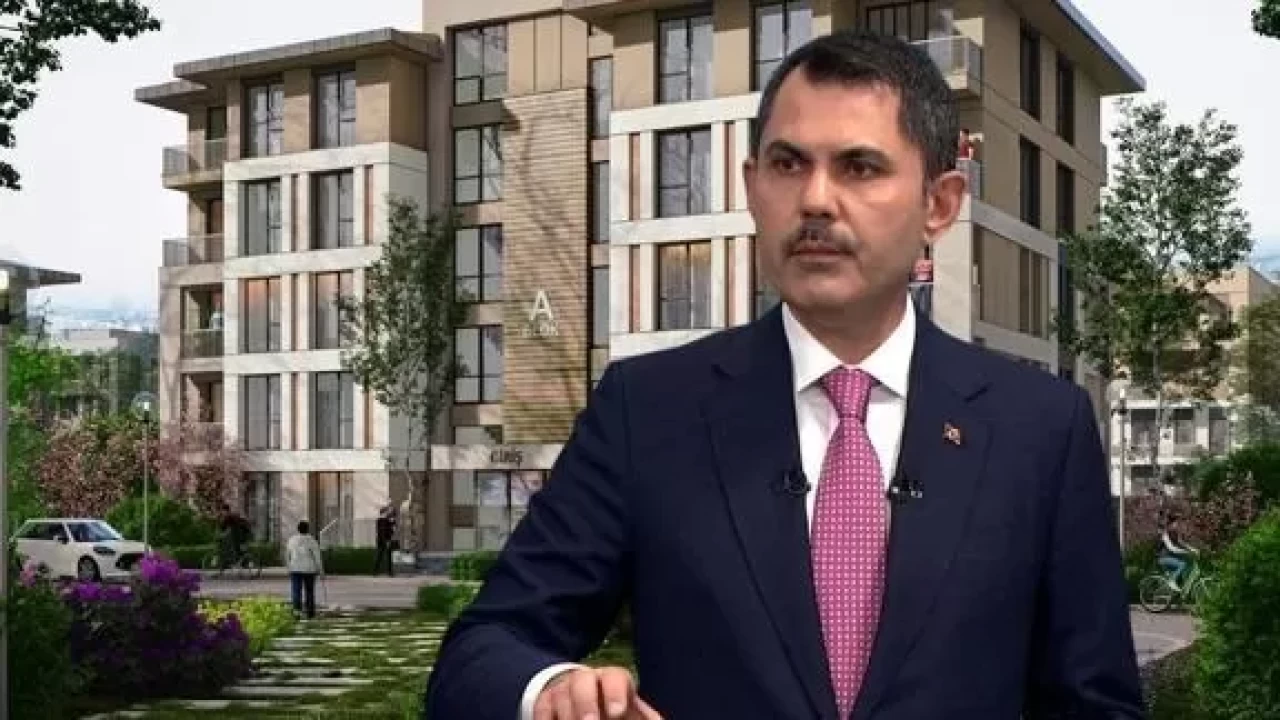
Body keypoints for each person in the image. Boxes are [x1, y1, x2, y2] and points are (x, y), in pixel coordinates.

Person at [424, 30, 1143, 720]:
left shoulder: (1041, 430)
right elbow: (480, 655)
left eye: (860, 167)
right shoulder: (648, 412)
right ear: (752, 185)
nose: (816, 200)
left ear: (939, 204)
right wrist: (550, 691)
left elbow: (1096, 705)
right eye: (788, 164)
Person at [286, 520, 324, 619]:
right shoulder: (312, 540)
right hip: (309, 569)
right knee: (310, 591)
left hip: (295, 568)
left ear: (297, 529)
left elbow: (287, 555)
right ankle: (310, 613)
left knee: (296, 591)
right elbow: (317, 556)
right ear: (308, 529)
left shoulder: (292, 540)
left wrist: (288, 567)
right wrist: (321, 570)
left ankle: (296, 612)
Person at [1158, 517, 1196, 591]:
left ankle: (1177, 588)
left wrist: (1193, 549)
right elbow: (1172, 548)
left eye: (1176, 524)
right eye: (1174, 524)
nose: (1176, 525)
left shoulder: (1175, 533)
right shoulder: (1165, 535)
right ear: (1169, 525)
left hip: (1170, 558)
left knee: (1185, 566)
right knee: (1182, 564)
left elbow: (1182, 543)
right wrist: (1185, 551)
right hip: (1163, 558)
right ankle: (1171, 581)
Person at [374, 505, 398, 576]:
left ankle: (386, 572)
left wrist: (393, 523)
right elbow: (382, 532)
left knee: (385, 556)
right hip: (384, 540)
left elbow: (391, 529)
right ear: (383, 512)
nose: (388, 513)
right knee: (382, 556)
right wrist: (386, 541)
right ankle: (379, 571)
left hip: (384, 540)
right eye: (386, 511)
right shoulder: (382, 520)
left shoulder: (384, 520)